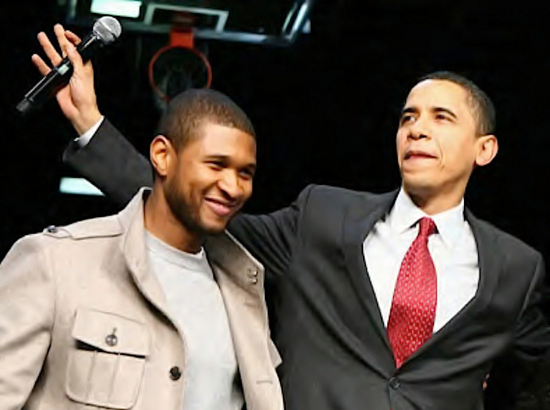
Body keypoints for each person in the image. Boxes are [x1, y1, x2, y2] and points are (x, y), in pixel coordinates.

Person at [34, 25, 550, 410]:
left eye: (442, 118)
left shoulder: (517, 268)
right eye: (408, 117)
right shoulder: (323, 216)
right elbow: (199, 215)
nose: (416, 130)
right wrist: (91, 125)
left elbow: (531, 389)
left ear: (485, 149)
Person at [0, 84, 284, 410]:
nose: (233, 187)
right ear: (162, 156)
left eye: (245, 173)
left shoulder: (243, 297)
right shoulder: (55, 262)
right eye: (216, 165)